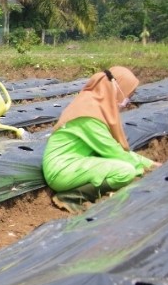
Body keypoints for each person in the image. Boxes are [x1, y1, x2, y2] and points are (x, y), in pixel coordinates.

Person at [42, 66, 160, 212]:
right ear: (118, 89)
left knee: (124, 166)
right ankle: (70, 197)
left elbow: (113, 149)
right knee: (125, 171)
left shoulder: (92, 105)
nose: (127, 101)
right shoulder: (89, 114)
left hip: (75, 163)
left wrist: (150, 164)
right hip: (62, 169)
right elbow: (113, 151)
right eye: (128, 95)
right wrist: (146, 168)